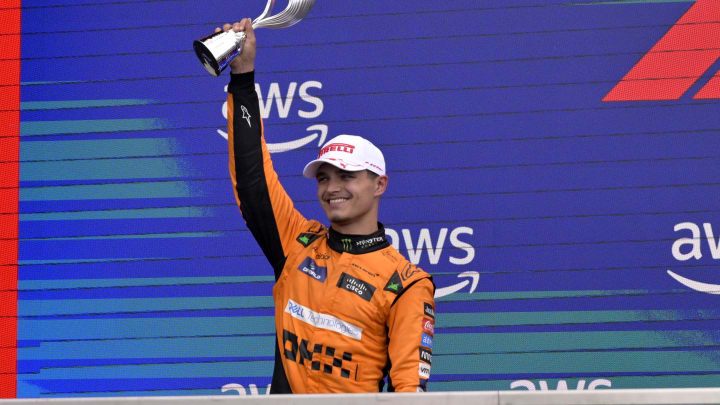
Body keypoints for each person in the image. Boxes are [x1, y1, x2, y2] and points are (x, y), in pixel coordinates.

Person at [220, 19, 435, 393]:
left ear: (379, 184)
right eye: (323, 178)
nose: (332, 188)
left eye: (347, 176)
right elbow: (253, 179)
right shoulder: (297, 243)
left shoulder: (406, 284)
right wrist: (242, 78)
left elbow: (409, 392)